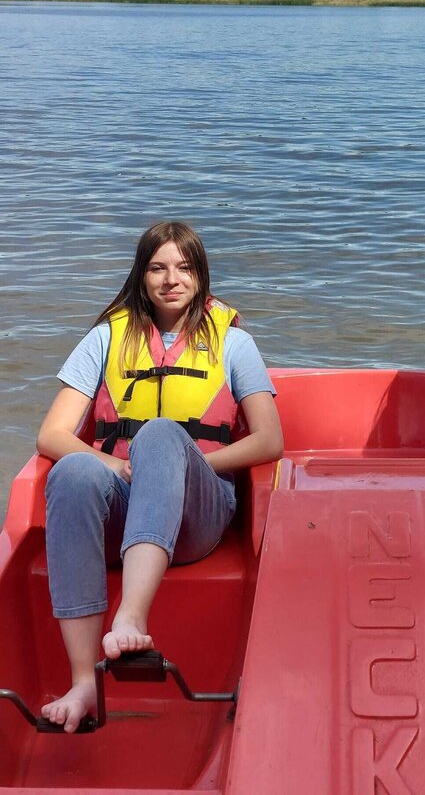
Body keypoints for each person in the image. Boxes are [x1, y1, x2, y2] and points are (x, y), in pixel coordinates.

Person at [36, 221, 283, 734]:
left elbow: (268, 440)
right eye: (158, 268)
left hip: (197, 516)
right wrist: (118, 466)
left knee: (162, 433)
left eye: (184, 268)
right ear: (141, 276)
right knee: (74, 471)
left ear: (200, 274)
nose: (172, 279)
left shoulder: (234, 343)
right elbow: (52, 434)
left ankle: (131, 616)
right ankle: (83, 681)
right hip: (122, 505)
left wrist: (173, 463)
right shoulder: (105, 338)